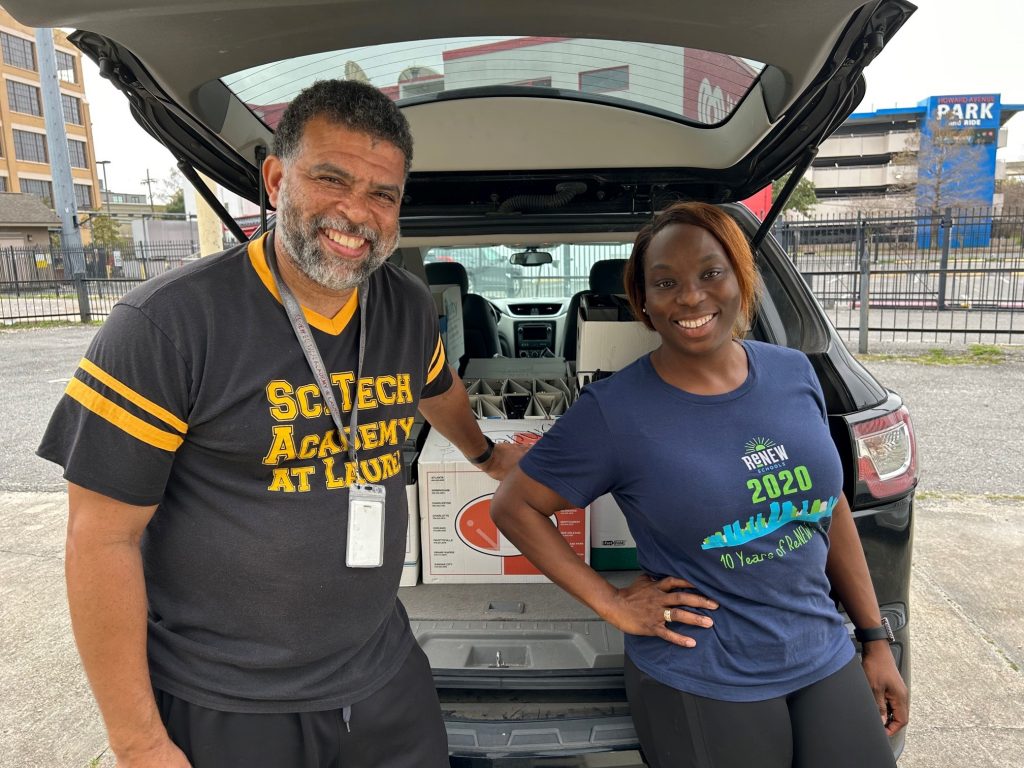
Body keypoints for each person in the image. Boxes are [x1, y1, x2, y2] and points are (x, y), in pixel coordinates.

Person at [38, 79, 522, 768]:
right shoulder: (168, 326)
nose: (356, 213)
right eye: (331, 179)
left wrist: (483, 455)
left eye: (382, 194)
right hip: (229, 703)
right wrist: (139, 742)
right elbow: (99, 543)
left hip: (384, 676)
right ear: (274, 178)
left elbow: (438, 388)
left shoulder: (407, 307)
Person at [490, 201, 908, 768]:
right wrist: (611, 603)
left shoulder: (793, 372)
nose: (690, 297)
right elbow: (515, 507)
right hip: (705, 671)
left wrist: (875, 639)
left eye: (711, 273)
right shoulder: (615, 411)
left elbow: (826, 506)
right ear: (643, 300)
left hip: (822, 650)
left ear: (740, 277)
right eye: (665, 282)